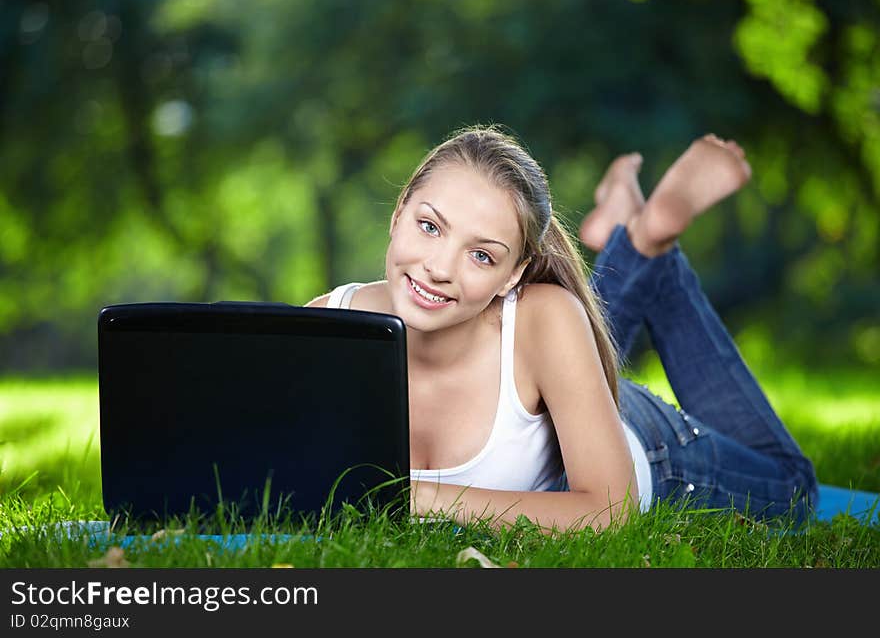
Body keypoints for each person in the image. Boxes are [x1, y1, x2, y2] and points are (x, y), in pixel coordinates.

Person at [307, 126, 819, 533]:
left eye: (481, 254)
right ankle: (633, 239)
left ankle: (649, 244)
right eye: (430, 226)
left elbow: (610, 513)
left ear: (513, 273)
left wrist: (419, 499)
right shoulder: (328, 322)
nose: (439, 267)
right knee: (558, 330)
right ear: (398, 214)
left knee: (795, 488)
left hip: (649, 451)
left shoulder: (543, 314)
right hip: (559, 388)